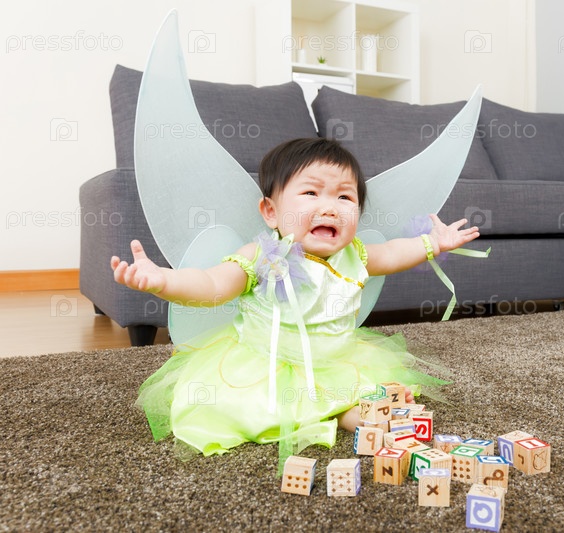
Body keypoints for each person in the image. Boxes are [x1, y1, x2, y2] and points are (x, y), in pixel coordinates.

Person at [110, 137, 480, 458]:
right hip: (268, 362)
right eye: (311, 193)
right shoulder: (263, 255)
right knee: (249, 406)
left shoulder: (357, 254)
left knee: (366, 386)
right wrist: (163, 281)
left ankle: (349, 411)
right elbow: (211, 284)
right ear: (271, 212)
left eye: (345, 196)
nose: (330, 207)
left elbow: (396, 252)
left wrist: (433, 243)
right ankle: (340, 412)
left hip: (336, 358)